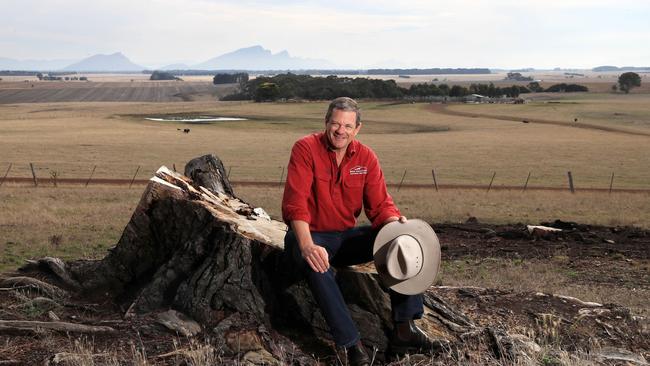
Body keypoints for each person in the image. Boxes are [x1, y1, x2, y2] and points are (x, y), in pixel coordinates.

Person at [282, 97, 435, 366]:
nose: (341, 131)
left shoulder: (366, 157)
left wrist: (395, 226)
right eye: (335, 124)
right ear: (326, 123)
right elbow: (296, 203)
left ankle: (404, 328)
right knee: (317, 266)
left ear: (358, 129)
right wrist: (307, 245)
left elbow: (380, 207)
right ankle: (352, 346)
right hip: (310, 235)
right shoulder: (305, 148)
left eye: (348, 126)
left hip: (345, 237)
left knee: (401, 239)